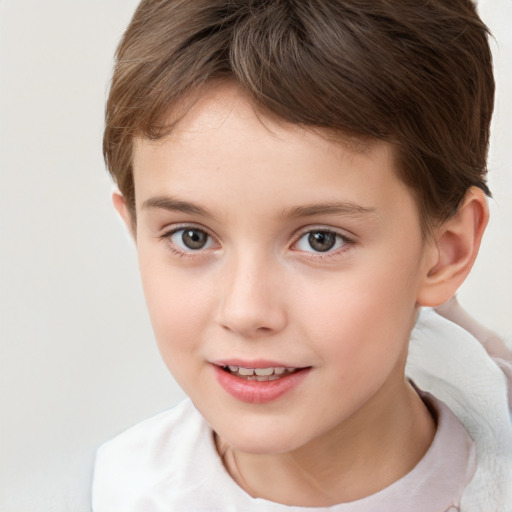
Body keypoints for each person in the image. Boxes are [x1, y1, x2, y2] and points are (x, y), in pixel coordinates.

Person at [91, 0, 512, 510]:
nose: (246, 312)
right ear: (135, 229)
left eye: (321, 240)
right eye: (192, 237)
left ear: (446, 253)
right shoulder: (121, 489)